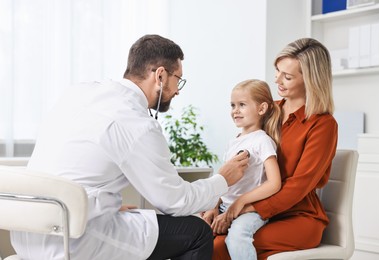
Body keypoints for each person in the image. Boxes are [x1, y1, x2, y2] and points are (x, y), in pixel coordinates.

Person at [10, 34, 250, 260]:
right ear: (160, 75)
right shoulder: (136, 122)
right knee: (196, 232)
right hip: (74, 241)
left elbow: (72, 168)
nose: (177, 90)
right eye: (178, 80)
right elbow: (174, 201)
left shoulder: (77, 93)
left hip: (30, 231)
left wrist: (104, 206)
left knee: (146, 223)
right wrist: (222, 180)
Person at [212, 37, 338, 259]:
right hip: (254, 211)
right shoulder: (268, 110)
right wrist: (217, 203)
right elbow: (243, 166)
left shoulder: (322, 125)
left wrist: (241, 208)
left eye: (287, 77)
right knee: (204, 237)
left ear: (310, 80)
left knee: (221, 246)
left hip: (298, 217)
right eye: (277, 71)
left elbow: (298, 187)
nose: (277, 80)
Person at [201, 79, 282, 260]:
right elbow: (225, 183)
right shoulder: (233, 142)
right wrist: (213, 207)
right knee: (195, 230)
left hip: (249, 211)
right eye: (232, 105)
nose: (235, 110)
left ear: (261, 109)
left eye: (242, 105)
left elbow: (275, 183)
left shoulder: (262, 140)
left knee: (237, 238)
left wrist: (239, 204)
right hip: (224, 207)